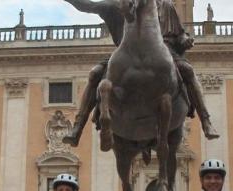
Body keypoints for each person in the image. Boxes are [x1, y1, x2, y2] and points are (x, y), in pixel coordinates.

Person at [63, 0, 219, 149]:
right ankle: (77, 127)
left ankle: (206, 121)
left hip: (165, 53)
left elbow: (180, 34)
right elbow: (87, 5)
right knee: (95, 73)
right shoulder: (118, 6)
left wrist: (185, 40)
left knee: (188, 71)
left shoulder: (166, 5)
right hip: (125, 54)